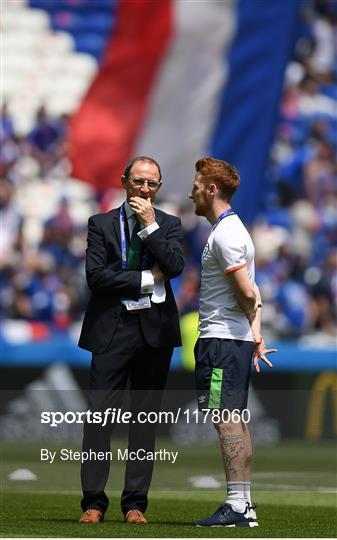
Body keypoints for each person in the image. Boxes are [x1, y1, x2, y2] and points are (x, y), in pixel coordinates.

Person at [78, 156, 184, 524]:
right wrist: (143, 280)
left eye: (152, 184)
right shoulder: (101, 223)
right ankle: (93, 502)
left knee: (144, 420)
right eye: (138, 181)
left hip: (154, 332)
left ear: (159, 187)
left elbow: (174, 267)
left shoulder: (169, 224)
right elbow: (96, 277)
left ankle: (135, 503)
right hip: (112, 328)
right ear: (124, 181)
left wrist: (151, 227)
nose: (144, 189)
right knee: (100, 418)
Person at [189, 157, 276, 528]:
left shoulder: (224, 234)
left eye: (197, 184)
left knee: (225, 420)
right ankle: (245, 502)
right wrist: (255, 332)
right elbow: (253, 292)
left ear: (212, 189)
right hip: (233, 339)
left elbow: (246, 291)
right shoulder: (234, 230)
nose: (192, 191)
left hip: (221, 341)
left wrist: (250, 322)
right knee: (236, 420)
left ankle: (236, 505)